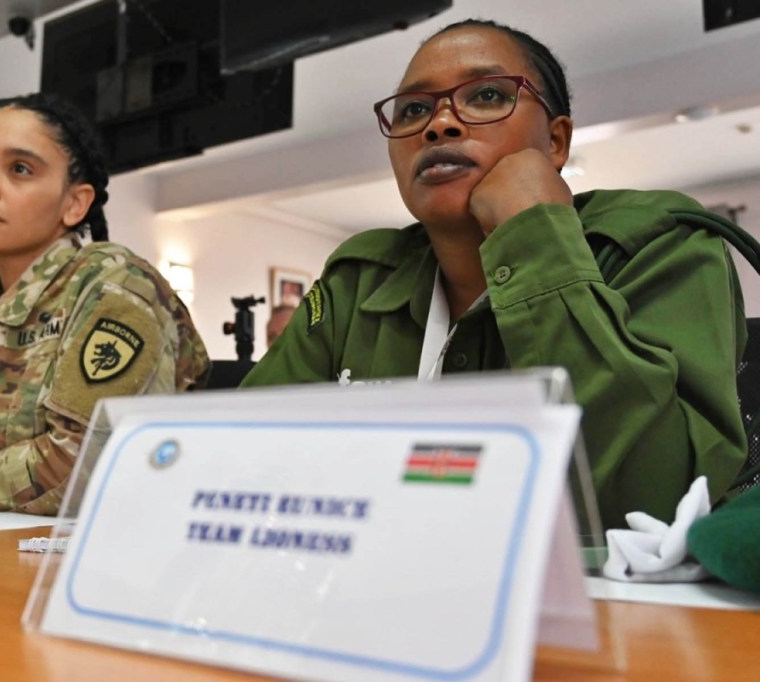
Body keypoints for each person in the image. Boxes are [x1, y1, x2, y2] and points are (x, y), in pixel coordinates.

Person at [241, 19, 748, 530]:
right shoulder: (359, 279)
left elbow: (650, 510)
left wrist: (534, 236)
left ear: (555, 141)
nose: (439, 125)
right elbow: (238, 461)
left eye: (485, 95)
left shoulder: (658, 243)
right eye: (414, 109)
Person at [0, 92, 211, 515]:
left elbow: (79, 470)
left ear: (75, 204)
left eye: (20, 169)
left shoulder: (115, 287)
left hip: (106, 565)